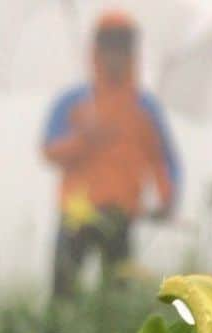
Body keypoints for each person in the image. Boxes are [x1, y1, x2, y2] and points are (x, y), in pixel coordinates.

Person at [42, 11, 180, 300]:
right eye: (109, 48)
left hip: (121, 213)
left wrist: (167, 198)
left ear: (131, 53)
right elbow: (49, 149)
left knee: (117, 296)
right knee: (64, 291)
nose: (115, 57)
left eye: (122, 49)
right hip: (76, 211)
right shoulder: (74, 102)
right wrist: (82, 140)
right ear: (97, 51)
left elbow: (163, 159)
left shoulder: (144, 106)